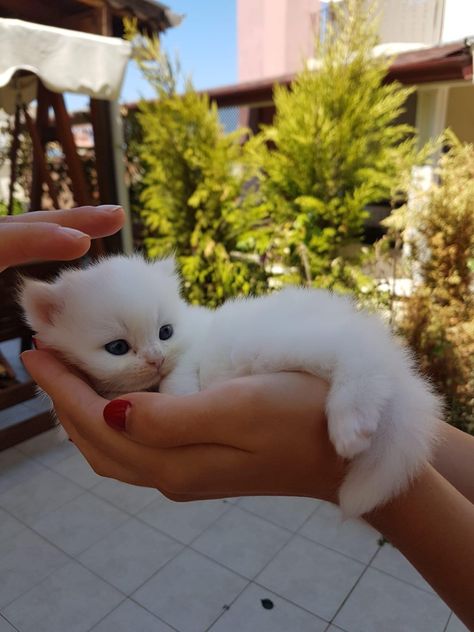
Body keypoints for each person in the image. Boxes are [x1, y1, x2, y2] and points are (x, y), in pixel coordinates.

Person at [1, 207, 473, 628]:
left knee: (252, 351)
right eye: (118, 348)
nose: (154, 358)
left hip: (269, 336)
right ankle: (362, 374)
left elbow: (186, 372)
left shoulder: (208, 337)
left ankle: (358, 368)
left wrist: (345, 470)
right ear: (48, 319)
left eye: (165, 331)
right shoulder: (121, 336)